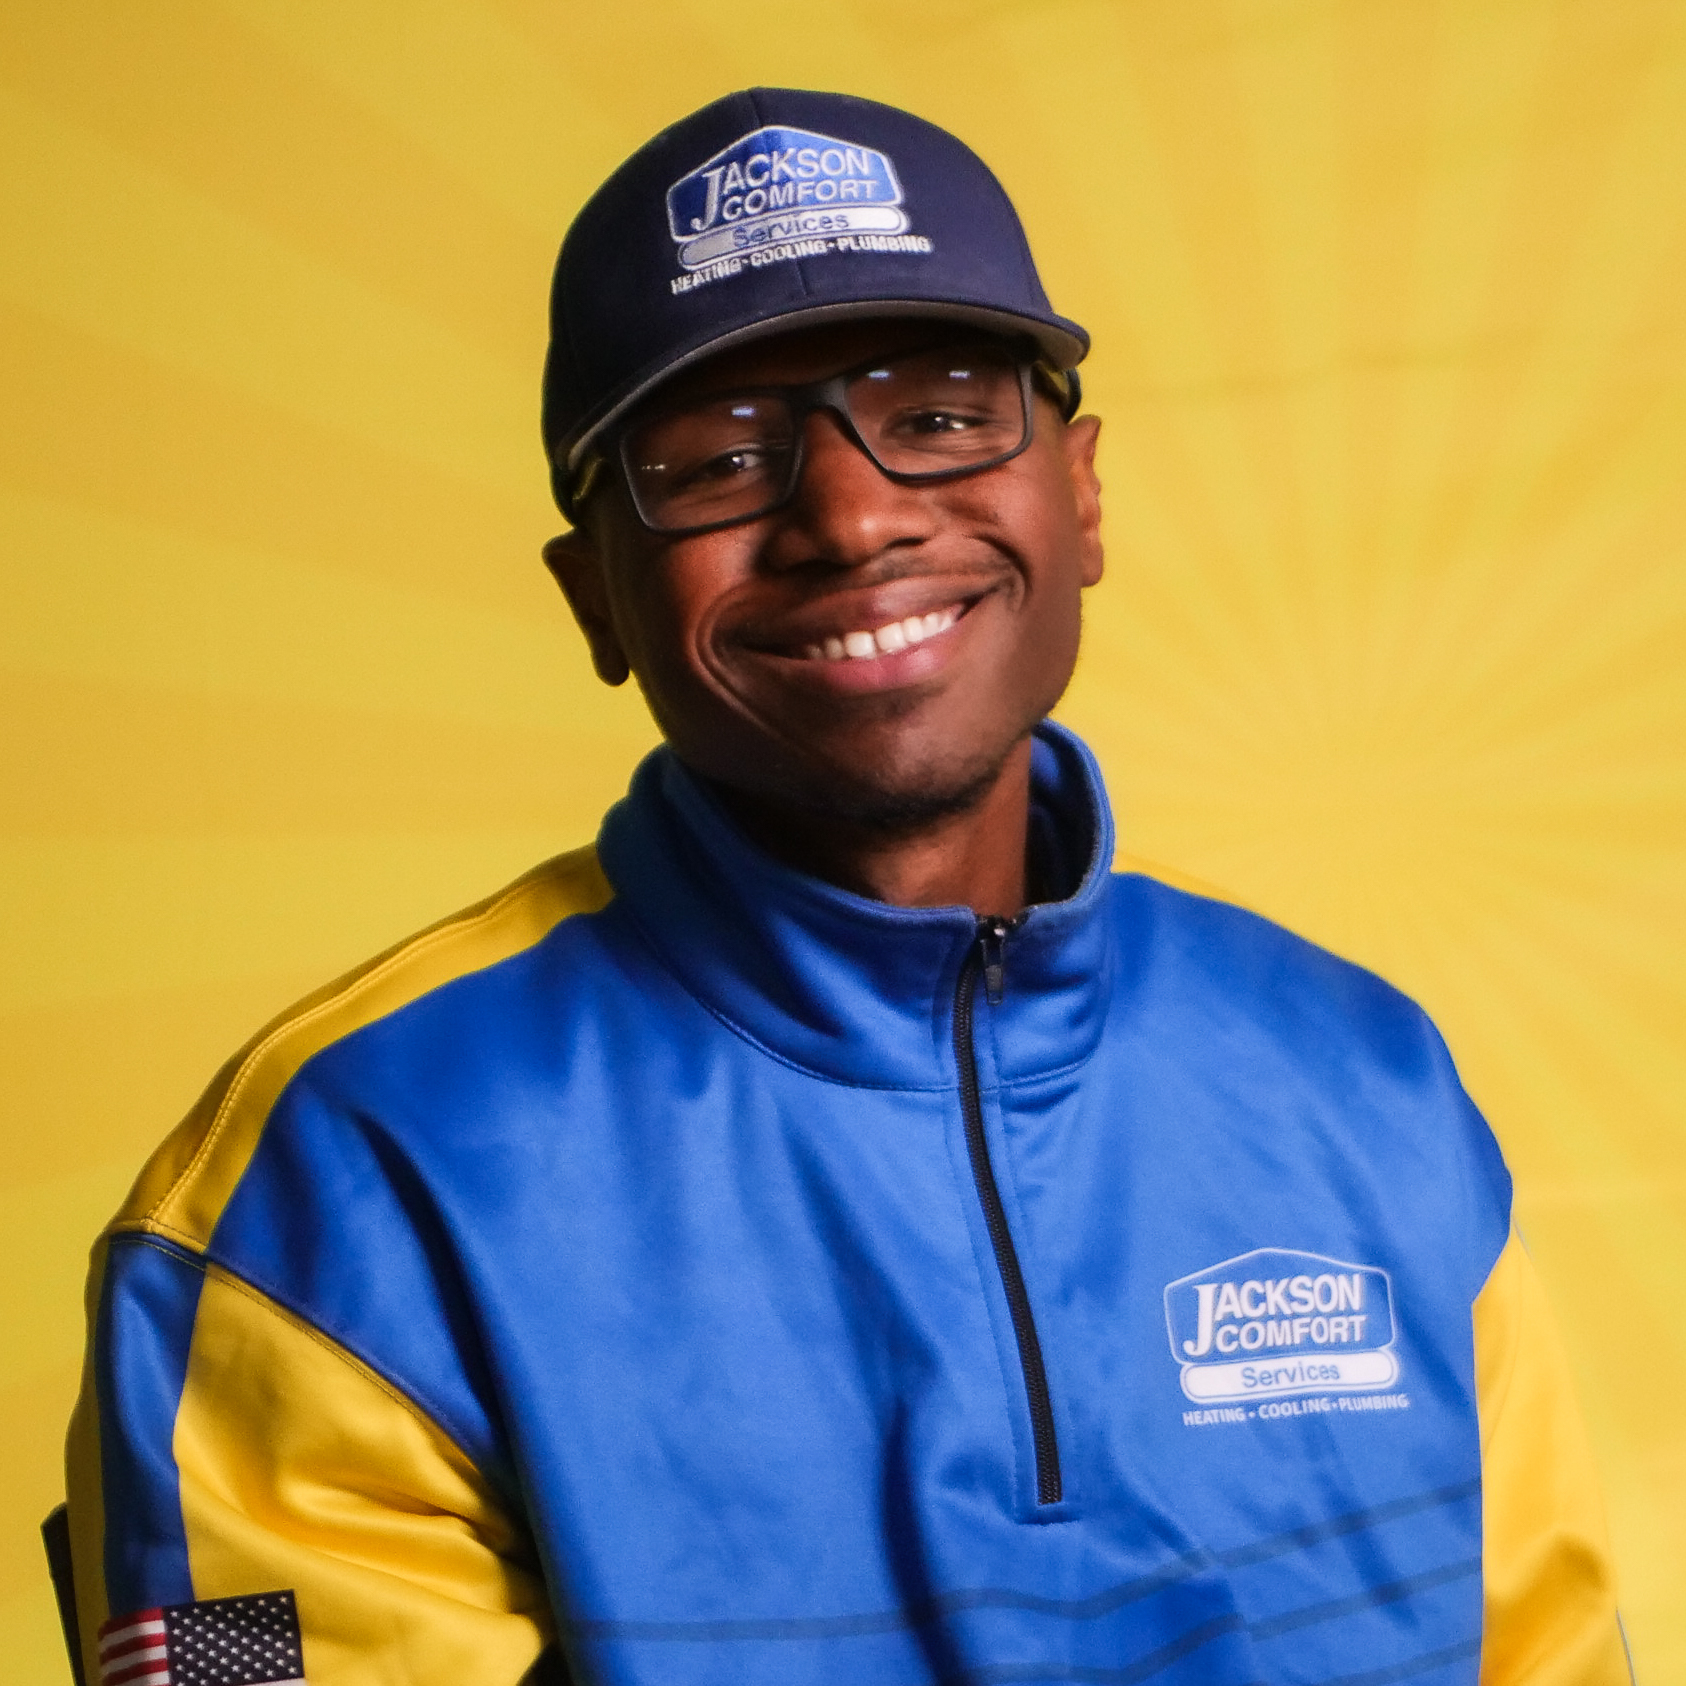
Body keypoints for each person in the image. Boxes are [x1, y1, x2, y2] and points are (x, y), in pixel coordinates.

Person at [61, 88, 1629, 1686]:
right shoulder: (334, 1182)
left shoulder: (1358, 1076)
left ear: (1078, 494)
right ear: (591, 594)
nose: (851, 513)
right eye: (718, 459)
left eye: (941, 416)